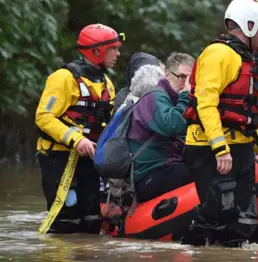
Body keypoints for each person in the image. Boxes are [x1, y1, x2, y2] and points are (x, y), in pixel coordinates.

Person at [181, 0, 258, 247]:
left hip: (239, 148)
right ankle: (193, 249)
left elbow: (244, 121)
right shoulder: (219, 54)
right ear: (249, 27)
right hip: (210, 149)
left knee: (244, 222)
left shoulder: (245, 59)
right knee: (218, 213)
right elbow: (206, 104)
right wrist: (219, 148)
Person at [35, 23, 122, 234]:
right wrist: (76, 139)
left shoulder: (106, 83)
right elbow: (44, 117)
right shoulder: (63, 78)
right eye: (114, 49)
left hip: (89, 160)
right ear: (96, 51)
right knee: (67, 218)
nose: (118, 54)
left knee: (92, 219)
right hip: (59, 157)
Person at [128, 63, 194, 203]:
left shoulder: (169, 100)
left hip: (164, 168)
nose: (186, 83)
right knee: (203, 174)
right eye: (182, 77)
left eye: (190, 79)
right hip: (150, 175)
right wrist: (185, 96)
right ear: (167, 75)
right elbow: (173, 125)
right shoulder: (153, 97)